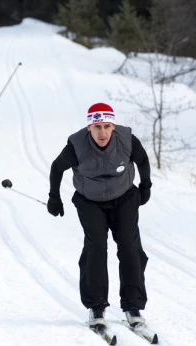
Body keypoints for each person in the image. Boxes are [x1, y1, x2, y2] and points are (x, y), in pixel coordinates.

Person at [48, 102, 152, 328]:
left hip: (124, 197)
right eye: (97, 127)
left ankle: (133, 306)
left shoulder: (126, 139)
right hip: (89, 200)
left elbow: (143, 161)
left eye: (106, 126)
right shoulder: (76, 145)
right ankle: (96, 307)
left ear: (113, 126)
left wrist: (145, 187)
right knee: (96, 246)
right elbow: (57, 168)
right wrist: (54, 197)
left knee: (129, 246)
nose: (102, 132)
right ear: (89, 128)